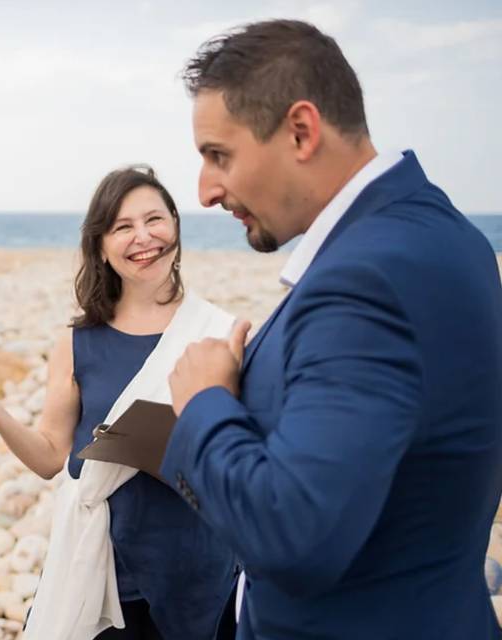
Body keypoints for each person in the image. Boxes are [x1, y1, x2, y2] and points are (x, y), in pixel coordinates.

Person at [160, 19, 502, 639]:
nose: (206, 191)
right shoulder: (448, 235)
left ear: (300, 130)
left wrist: (205, 405)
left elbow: (294, 535)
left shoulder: (366, 279)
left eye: (219, 156)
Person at [0, 166, 238, 640]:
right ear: (100, 245)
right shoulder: (78, 342)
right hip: (106, 575)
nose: (143, 237)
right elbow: (51, 457)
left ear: (175, 225)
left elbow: (247, 458)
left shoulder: (220, 331)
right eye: (123, 227)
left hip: (200, 566)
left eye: (154, 220)